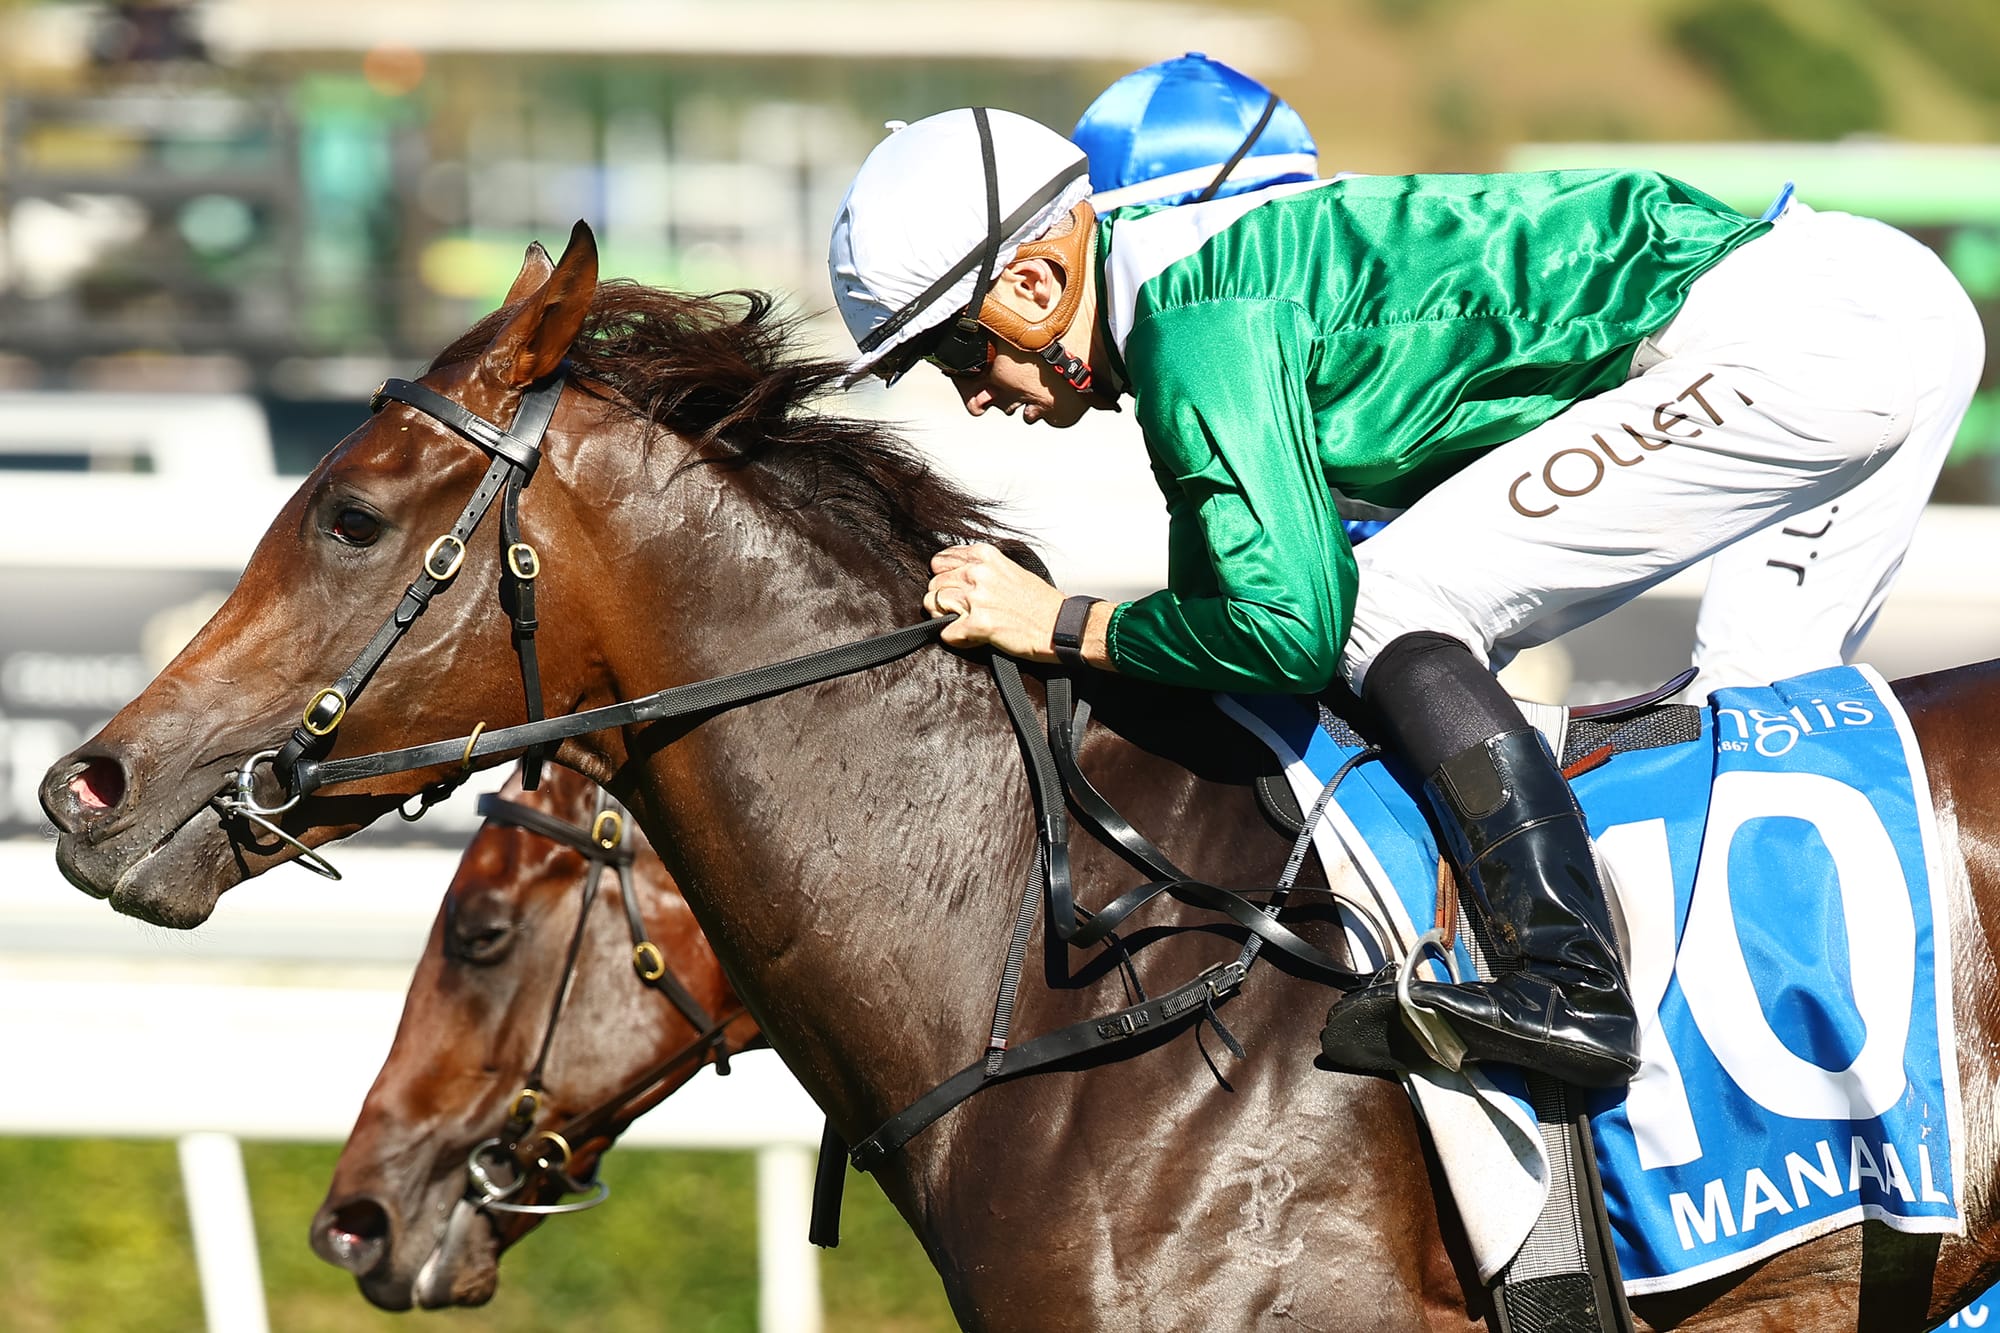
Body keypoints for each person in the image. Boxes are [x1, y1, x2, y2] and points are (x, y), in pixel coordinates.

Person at [826, 108, 1983, 1088]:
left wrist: (1063, 623)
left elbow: (1289, 628)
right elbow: (1224, 613)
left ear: (1032, 283)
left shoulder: (1193, 327)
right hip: (1875, 307)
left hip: (1808, 339)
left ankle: (1566, 983)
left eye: (958, 356)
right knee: (1742, 711)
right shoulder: (1174, 290)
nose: (974, 400)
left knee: (1386, 605)